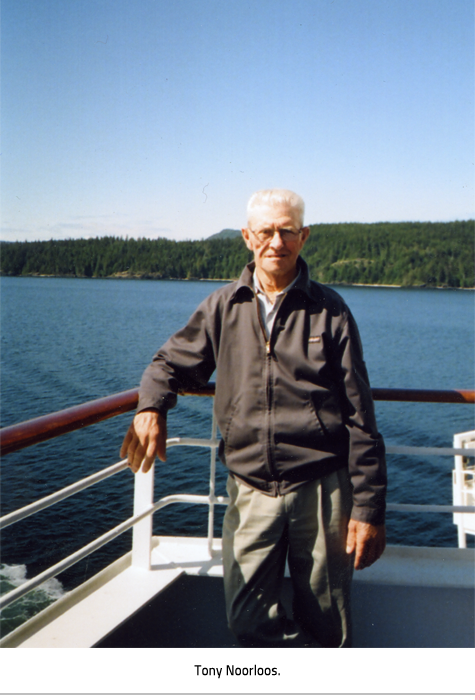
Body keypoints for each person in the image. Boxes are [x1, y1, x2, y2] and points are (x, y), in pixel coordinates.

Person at [121, 189, 387, 648]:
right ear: (247, 237)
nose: (276, 242)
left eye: (287, 231)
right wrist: (150, 407)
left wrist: (368, 508)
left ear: (304, 236)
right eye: (265, 231)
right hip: (250, 488)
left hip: (322, 489)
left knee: (328, 623)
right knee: (247, 621)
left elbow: (360, 417)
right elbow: (168, 364)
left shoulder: (331, 311)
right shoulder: (223, 307)